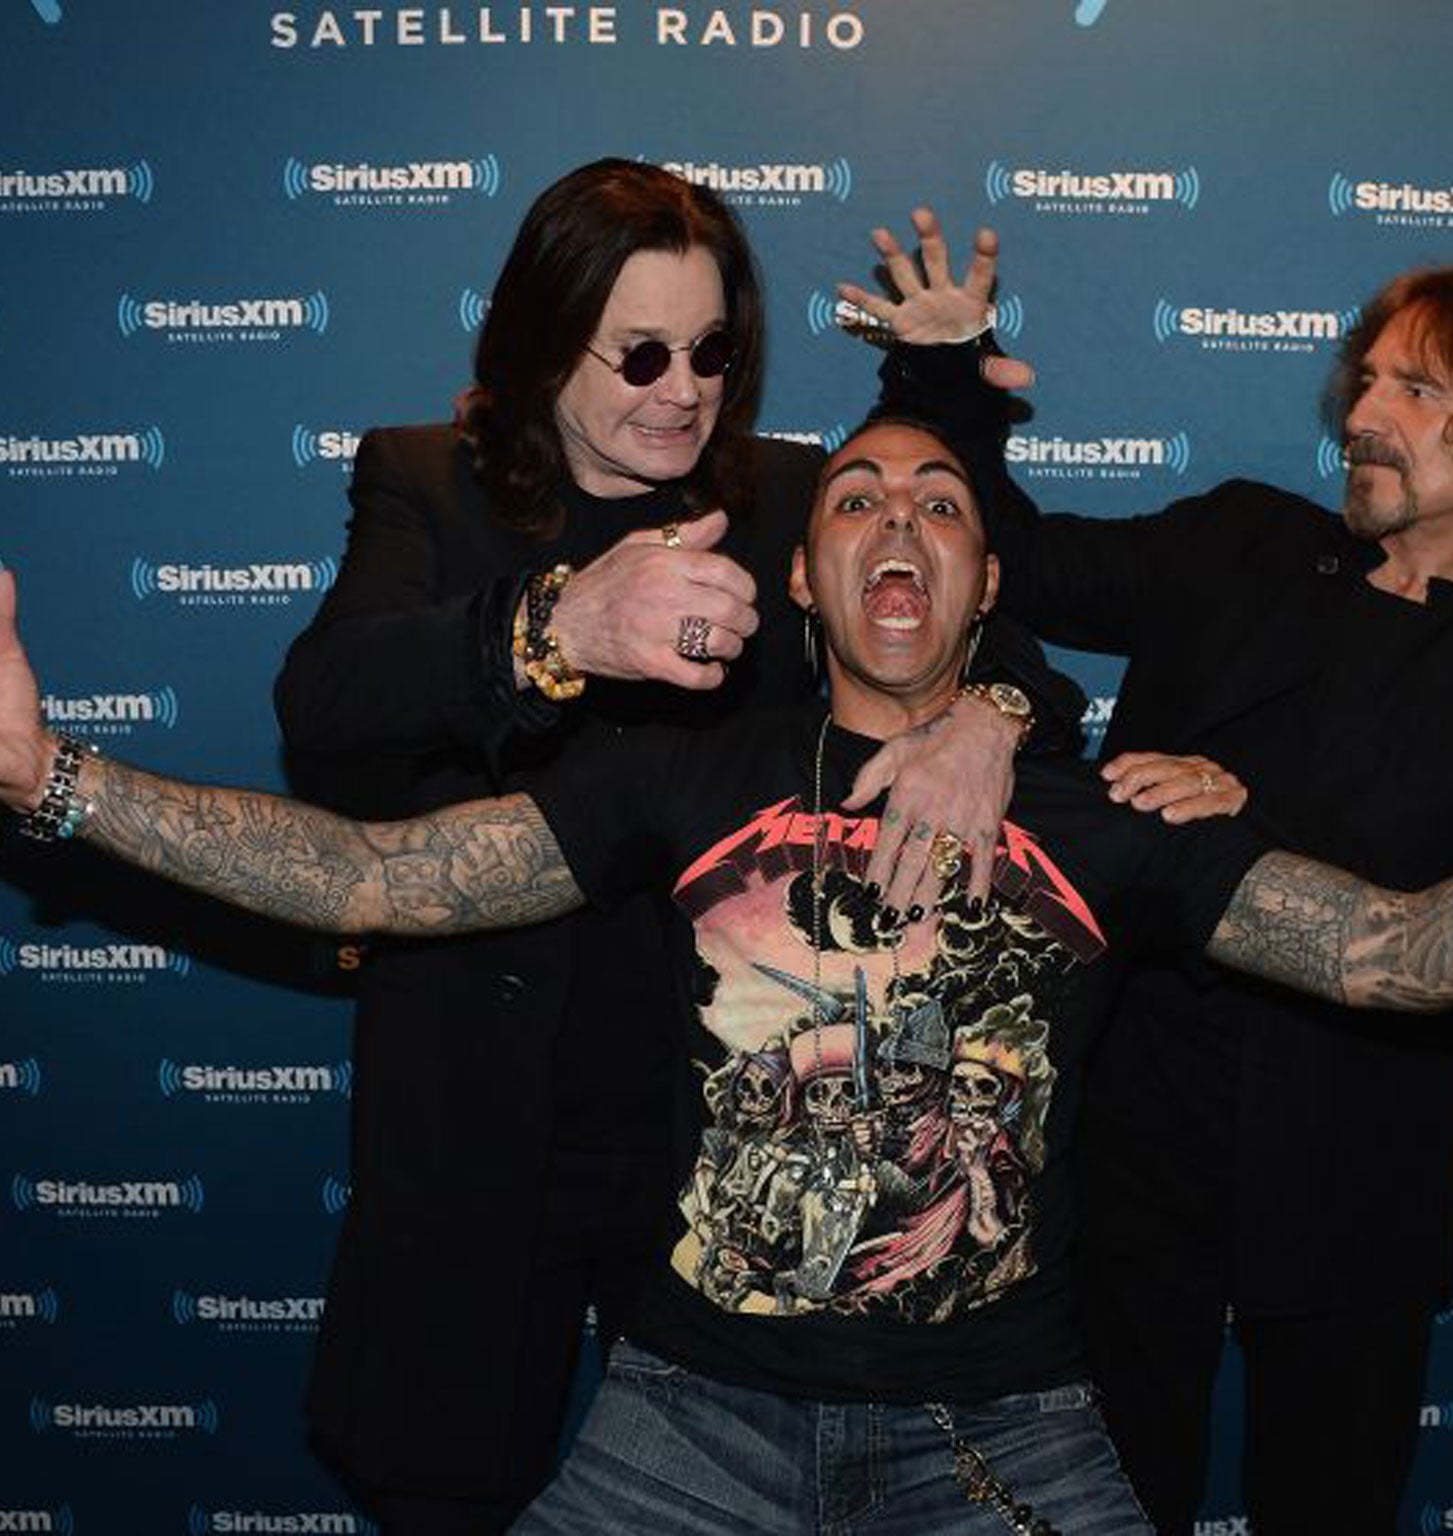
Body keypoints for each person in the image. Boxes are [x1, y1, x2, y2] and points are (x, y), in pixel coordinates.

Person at [0, 416, 1453, 1535]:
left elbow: (1391, 959)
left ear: (985, 580)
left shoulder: (1109, 805)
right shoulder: (668, 775)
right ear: (801, 575)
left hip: (1007, 1440)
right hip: (680, 1423)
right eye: (856, 495)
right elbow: (371, 869)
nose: (899, 519)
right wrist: (51, 774)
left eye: (944, 503)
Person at [842, 219, 1453, 1530]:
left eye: (1416, 389)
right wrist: (940, 382)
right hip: (1120, 1161)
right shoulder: (1240, 543)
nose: (1364, 411)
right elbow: (1005, 561)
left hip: (1359, 1194)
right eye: (1364, 380)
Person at [264, 161, 1073, 1532]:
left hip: (717, 1141)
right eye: (639, 351)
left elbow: (1015, 656)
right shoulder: (425, 482)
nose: (683, 388)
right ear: (538, 342)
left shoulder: (782, 501)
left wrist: (989, 718)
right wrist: (554, 632)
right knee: (442, 1482)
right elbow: (326, 708)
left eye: (712, 351)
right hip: (480, 1127)